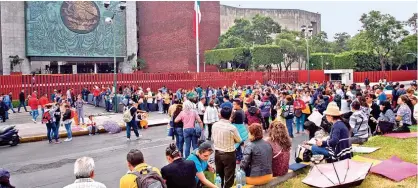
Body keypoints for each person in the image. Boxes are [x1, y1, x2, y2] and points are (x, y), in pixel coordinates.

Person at [212, 106, 241, 188]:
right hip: (229, 154)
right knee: (229, 176)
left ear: (220, 115)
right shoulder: (232, 128)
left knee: (219, 174)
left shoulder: (215, 125)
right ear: (230, 116)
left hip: (217, 152)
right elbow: (239, 140)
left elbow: (213, 138)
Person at [231, 98, 248, 164]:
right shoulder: (241, 110)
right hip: (241, 128)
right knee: (239, 143)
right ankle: (241, 156)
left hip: (237, 129)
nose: (233, 106)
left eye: (234, 104)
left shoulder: (237, 112)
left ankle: (239, 158)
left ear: (238, 105)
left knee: (236, 145)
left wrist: (232, 112)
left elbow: (231, 120)